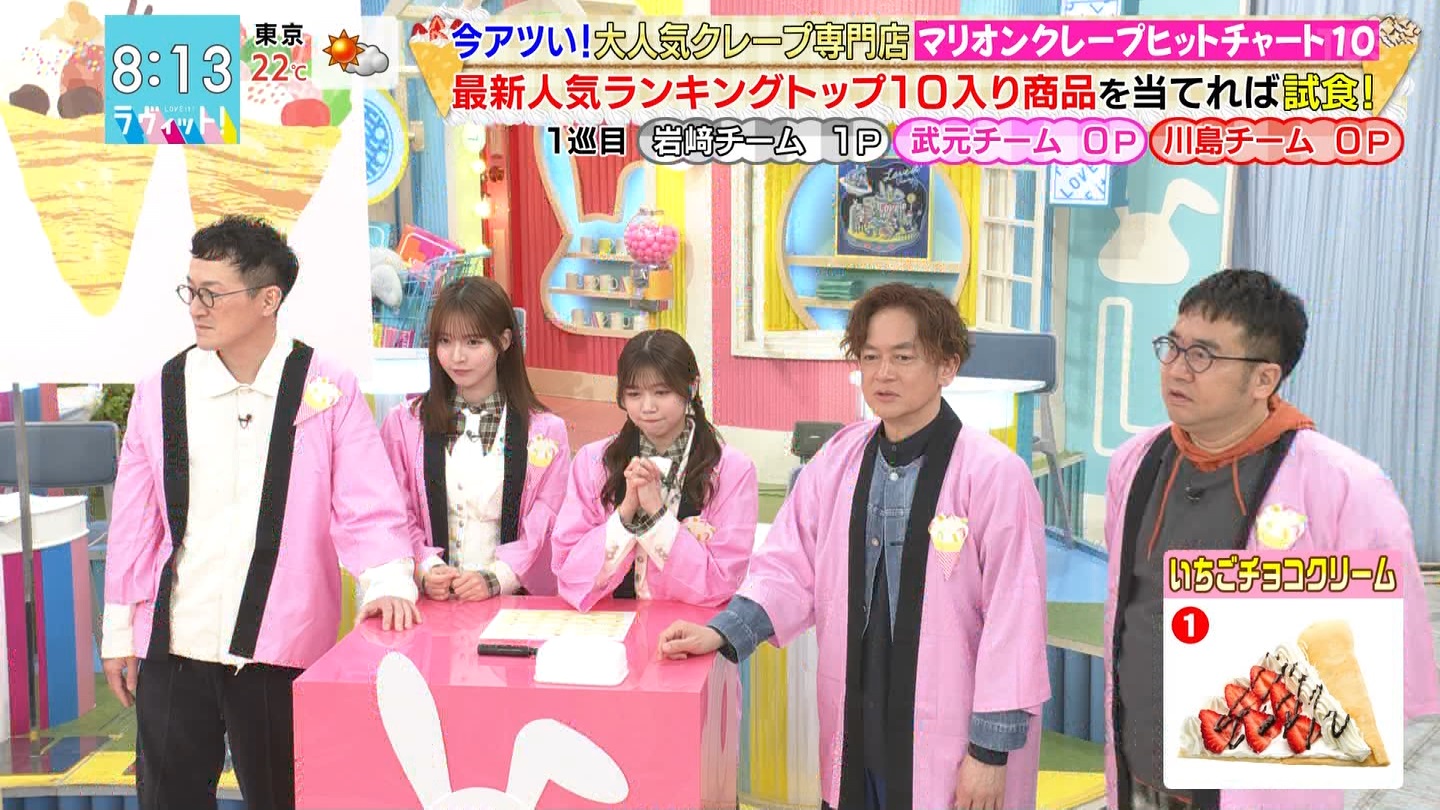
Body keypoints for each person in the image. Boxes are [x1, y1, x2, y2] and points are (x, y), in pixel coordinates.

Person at [658, 283, 1050, 810]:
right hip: (859, 721)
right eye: (870, 357)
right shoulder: (839, 460)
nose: (883, 374)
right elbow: (788, 566)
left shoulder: (994, 474)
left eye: (903, 357)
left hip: (954, 740)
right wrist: (722, 631)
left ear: (947, 366)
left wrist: (990, 751)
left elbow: (1015, 619)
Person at [100, 216, 422, 810]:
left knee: (285, 797)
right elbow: (133, 522)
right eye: (191, 290)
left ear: (268, 299)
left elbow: (367, 503)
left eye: (212, 294)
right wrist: (119, 630)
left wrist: (387, 583)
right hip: (174, 641)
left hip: (282, 643)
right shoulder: (162, 389)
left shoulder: (327, 387)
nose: (196, 308)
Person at [1102, 269, 1440, 810]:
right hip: (1139, 769)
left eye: (1203, 355)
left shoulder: (1343, 485)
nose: (1176, 369)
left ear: (1264, 379)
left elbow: (1388, 656)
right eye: (1174, 346)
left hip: (1256, 783)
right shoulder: (1136, 461)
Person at [380, 276, 570, 601]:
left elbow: (548, 520)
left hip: (511, 605)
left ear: (504, 341)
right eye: (444, 341)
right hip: (431, 602)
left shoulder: (546, 432)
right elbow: (393, 509)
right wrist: (425, 567)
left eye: (472, 342)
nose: (457, 357)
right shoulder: (404, 423)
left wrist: (497, 578)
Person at [551, 328, 758, 611]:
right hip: (608, 625)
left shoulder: (732, 471)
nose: (647, 407)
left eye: (661, 392)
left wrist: (657, 515)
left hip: (689, 628)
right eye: (634, 394)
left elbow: (723, 583)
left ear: (691, 388)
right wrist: (625, 513)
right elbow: (568, 573)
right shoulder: (593, 462)